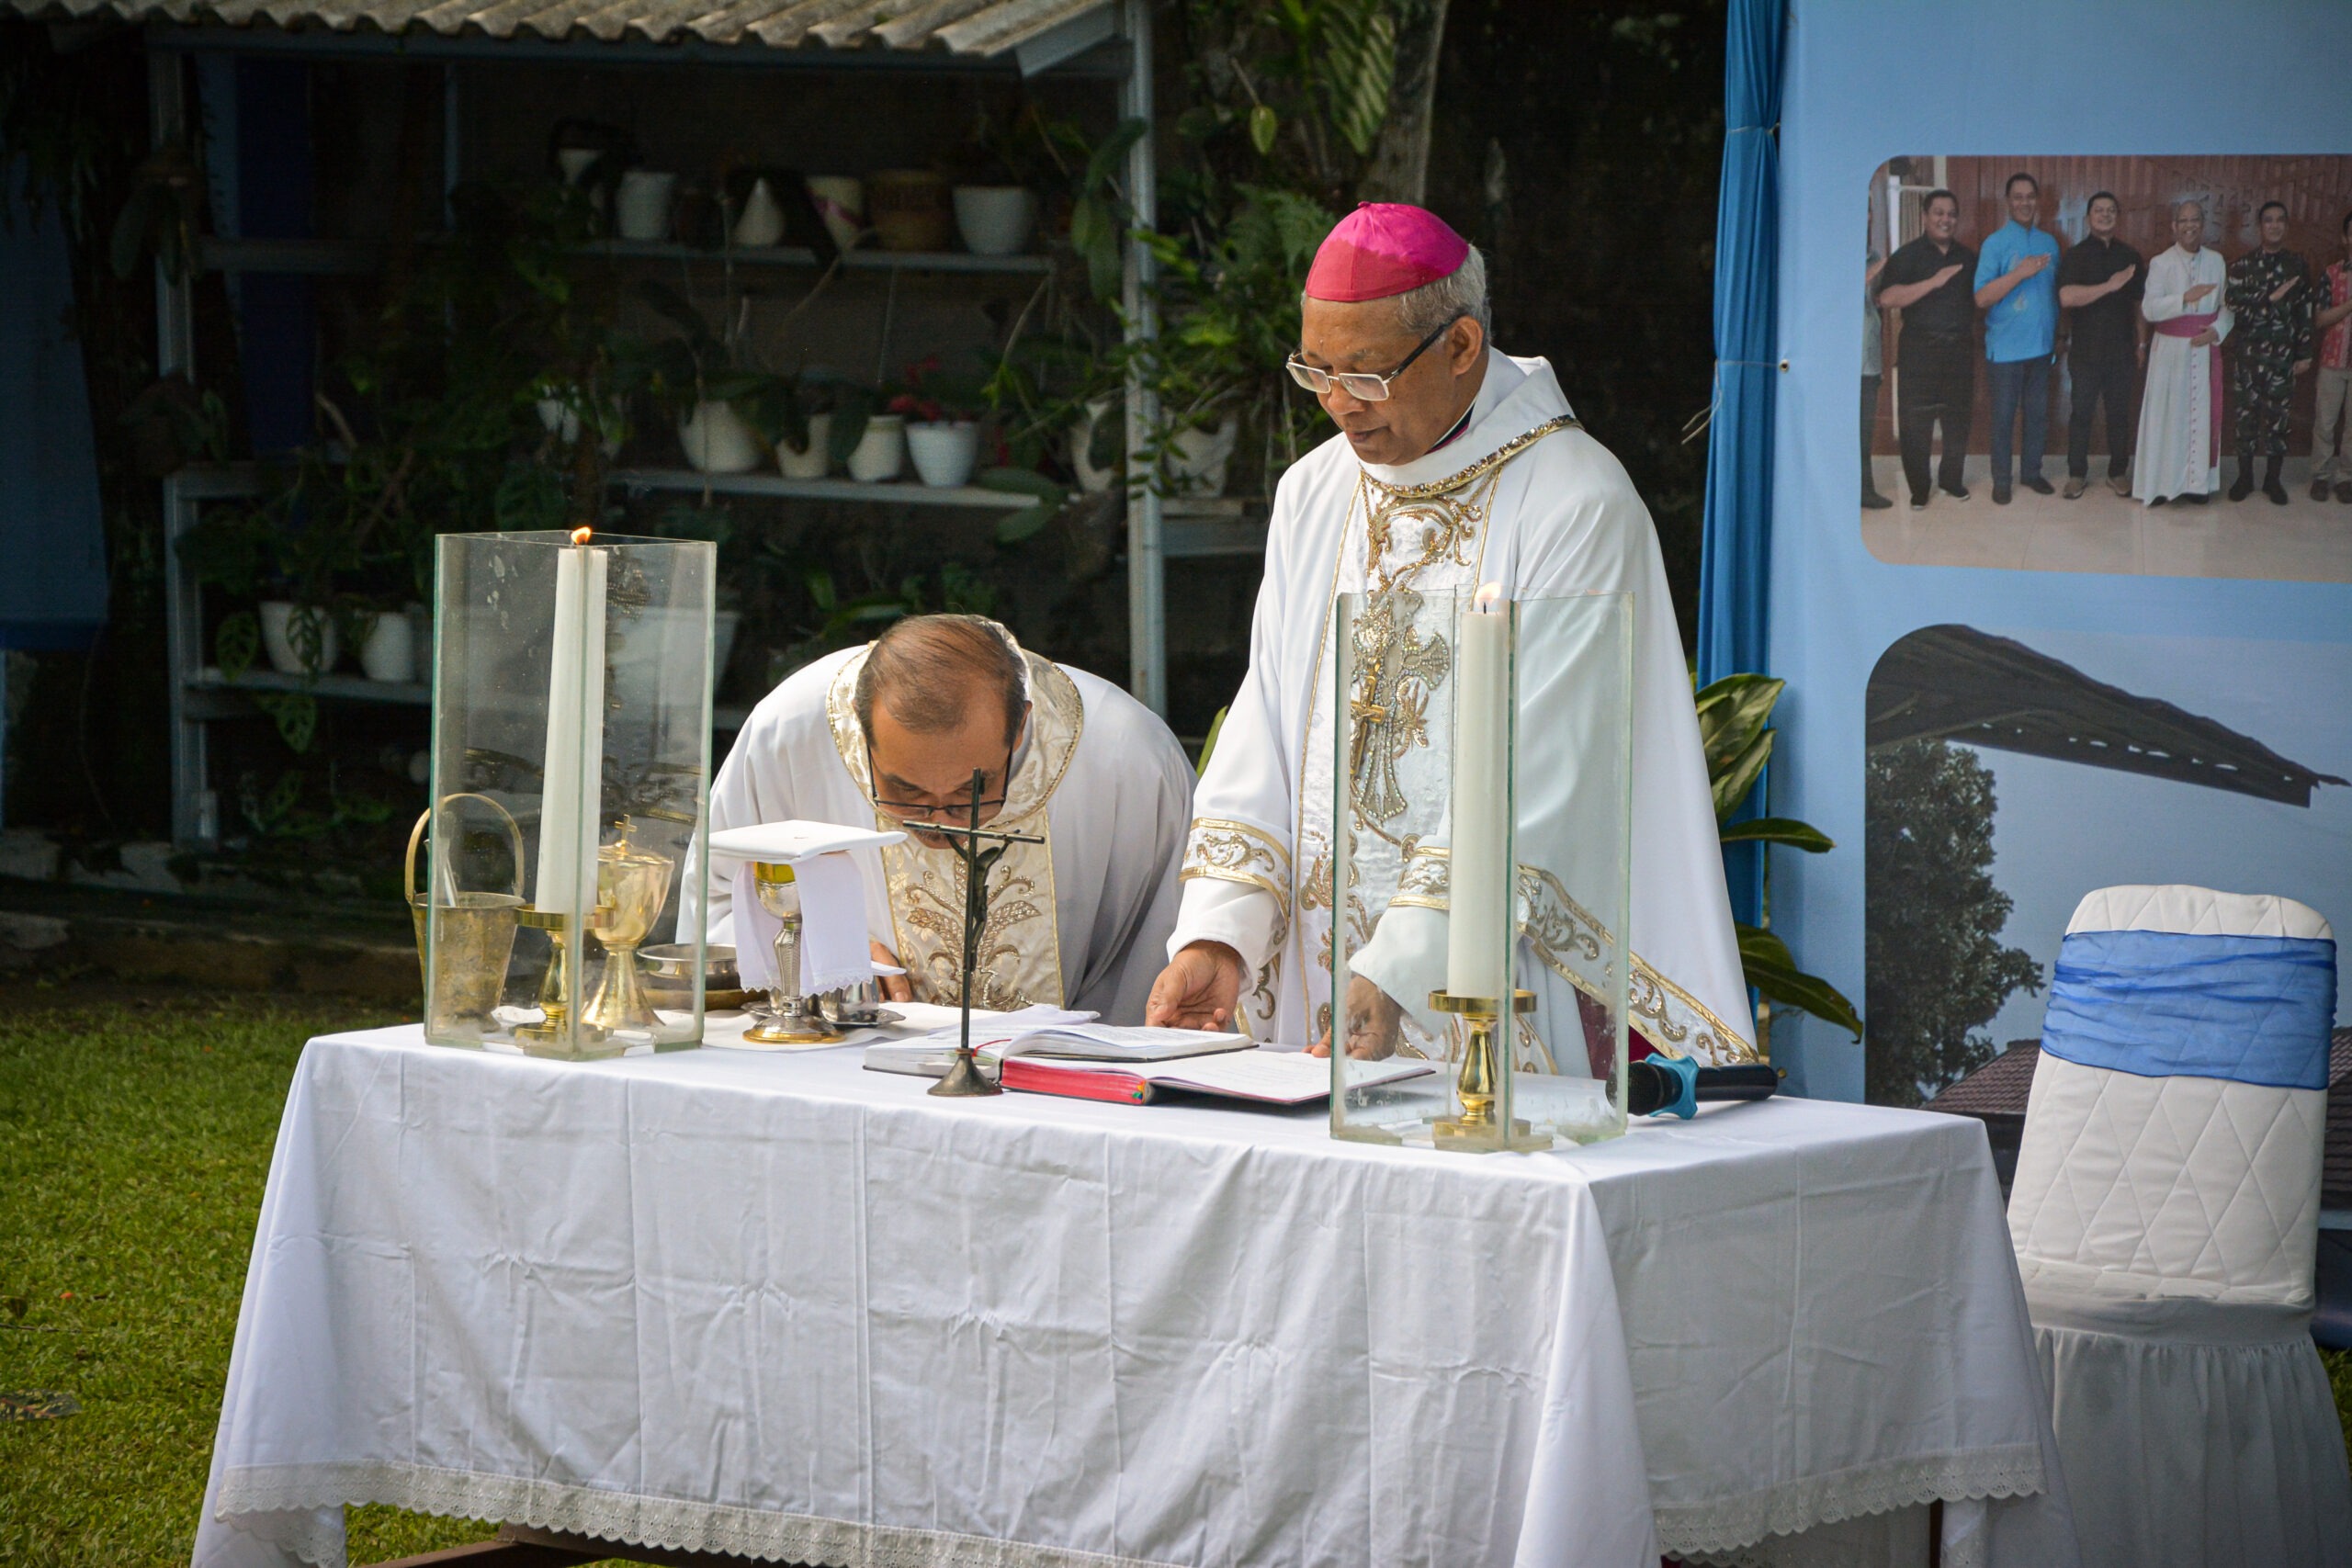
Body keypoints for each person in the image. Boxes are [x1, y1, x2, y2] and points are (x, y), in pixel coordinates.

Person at [1143, 203, 1752, 1067]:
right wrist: (1219, 935)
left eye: (1366, 375)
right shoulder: (1313, 493)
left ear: (1461, 346)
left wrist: (1399, 968)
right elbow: (1267, 720)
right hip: (1315, 984)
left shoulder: (1574, 502)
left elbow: (1543, 769)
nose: (1338, 405)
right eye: (1316, 371)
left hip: (1493, 988)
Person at [689, 615, 1193, 1021]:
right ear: (862, 731)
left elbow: (1171, 937)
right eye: (905, 792)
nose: (938, 824)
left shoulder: (1127, 753)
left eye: (969, 794)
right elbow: (714, 901)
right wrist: (821, 949)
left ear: (1020, 729)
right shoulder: (792, 731)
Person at [1873, 189, 1979, 511]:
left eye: (1951, 214)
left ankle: (1951, 480)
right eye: (1939, 213)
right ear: (1925, 216)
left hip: (1959, 350)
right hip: (1919, 350)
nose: (1946, 219)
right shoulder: (1907, 255)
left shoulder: (1969, 258)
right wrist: (1934, 281)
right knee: (1914, 424)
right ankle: (1919, 489)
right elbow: (1887, 298)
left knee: (1957, 421)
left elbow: (1980, 298)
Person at [2135, 201, 2233, 506]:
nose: (2190, 226)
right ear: (2174, 226)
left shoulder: (2216, 261)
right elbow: (2149, 309)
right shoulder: (2161, 263)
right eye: (2184, 221)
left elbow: (2228, 306)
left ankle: (2196, 485)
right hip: (2169, 352)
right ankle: (2160, 485)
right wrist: (2183, 298)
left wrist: (2217, 330)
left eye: (2195, 220)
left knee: (2199, 416)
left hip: (2204, 350)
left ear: (2203, 225)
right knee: (2167, 418)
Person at [1972, 172, 2063, 504]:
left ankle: (2032, 473)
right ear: (2008, 202)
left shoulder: (2049, 244)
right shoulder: (1994, 244)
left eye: (2030, 197)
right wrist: (2020, 273)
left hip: (2041, 348)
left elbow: (2055, 294)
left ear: (2038, 201)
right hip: (2006, 350)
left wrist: (2057, 335)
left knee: (2037, 416)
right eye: (2018, 197)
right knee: (2003, 418)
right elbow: (1981, 298)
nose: (2025, 203)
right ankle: (2001, 480)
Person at [2224, 200, 2315, 505]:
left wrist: (2304, 353)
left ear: (2286, 226)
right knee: (2246, 420)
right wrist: (2268, 298)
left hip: (2282, 357)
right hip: (2248, 356)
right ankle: (2245, 478)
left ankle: (2272, 480)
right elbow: (2232, 302)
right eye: (2268, 220)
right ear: (2259, 227)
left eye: (2280, 220)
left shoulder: (2297, 266)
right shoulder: (2243, 265)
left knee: (2279, 421)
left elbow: (2305, 311)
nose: (2274, 225)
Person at [2055, 190, 2145, 500]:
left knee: (2119, 415)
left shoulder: (2130, 257)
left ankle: (2117, 473)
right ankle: (2076, 474)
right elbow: (2067, 297)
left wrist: (2142, 343)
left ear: (2117, 217)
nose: (2105, 215)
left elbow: (2138, 305)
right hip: (2085, 352)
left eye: (2110, 210)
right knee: (2081, 414)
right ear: (2088, 217)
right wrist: (2109, 286)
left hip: (2122, 351)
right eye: (2099, 210)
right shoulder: (2075, 255)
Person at [2312, 209, 2352, 503]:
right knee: (2325, 423)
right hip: (2333, 359)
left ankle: (2346, 477)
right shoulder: (2331, 273)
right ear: (2345, 238)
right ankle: (2321, 476)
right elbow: (2321, 319)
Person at [1863, 241, 1894, 509]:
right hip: (1840, 365)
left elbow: (1879, 301)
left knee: (1865, 431)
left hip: (1869, 361)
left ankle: (1865, 490)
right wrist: (1869, 274)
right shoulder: (1833, 256)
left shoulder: (1874, 257)